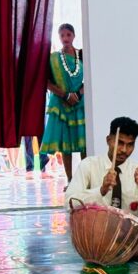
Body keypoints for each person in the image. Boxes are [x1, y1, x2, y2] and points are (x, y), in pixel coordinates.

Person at [64, 116, 138, 261]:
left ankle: (119, 251)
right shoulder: (89, 165)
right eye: (120, 143)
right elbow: (69, 203)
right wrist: (101, 190)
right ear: (108, 140)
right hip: (98, 236)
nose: (124, 150)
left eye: (130, 145)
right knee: (96, 241)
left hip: (129, 236)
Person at [40, 23, 87, 181]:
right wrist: (65, 95)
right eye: (62, 35)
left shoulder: (82, 54)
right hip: (61, 103)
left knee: (84, 144)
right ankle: (70, 180)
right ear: (59, 38)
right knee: (66, 146)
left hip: (80, 104)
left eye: (68, 35)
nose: (66, 38)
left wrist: (78, 94)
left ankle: (85, 180)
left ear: (74, 36)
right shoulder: (53, 58)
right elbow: (46, 82)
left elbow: (90, 77)